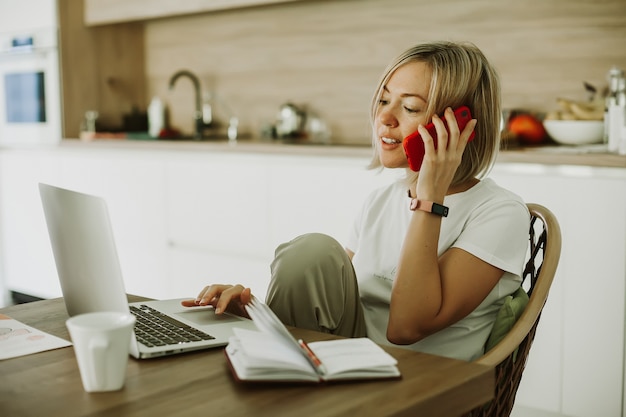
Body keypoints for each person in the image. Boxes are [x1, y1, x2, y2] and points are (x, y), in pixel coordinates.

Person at [181, 41, 529, 361]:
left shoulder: (499, 213)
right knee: (313, 252)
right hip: (349, 362)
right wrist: (256, 310)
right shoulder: (381, 201)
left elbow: (405, 328)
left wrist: (429, 198)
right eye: (383, 100)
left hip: (421, 382)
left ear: (461, 126)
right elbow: (331, 297)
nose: (385, 118)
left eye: (409, 107)